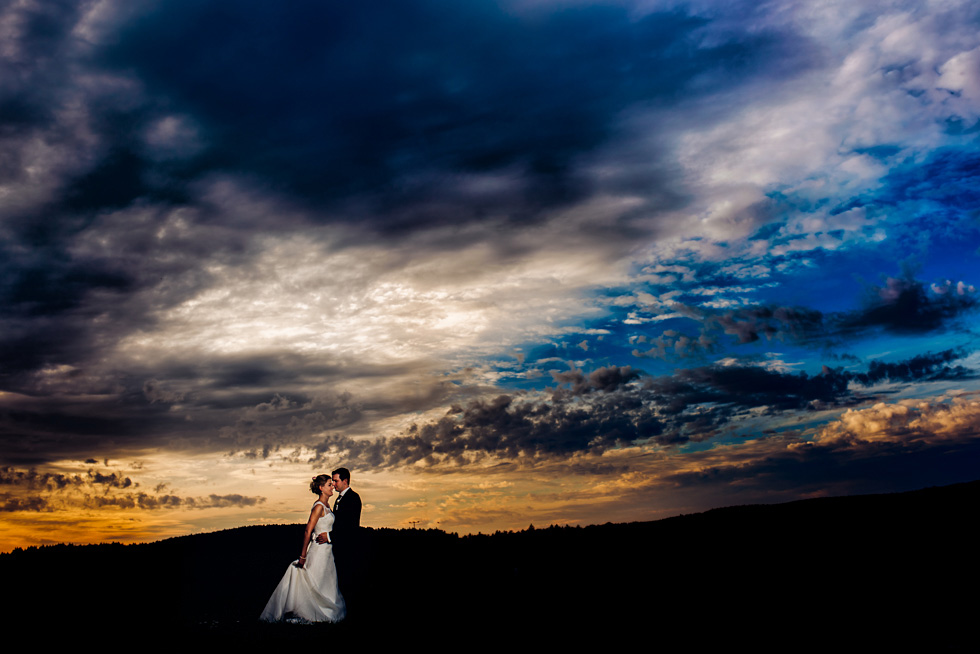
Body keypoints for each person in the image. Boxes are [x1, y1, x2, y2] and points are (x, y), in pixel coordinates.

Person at [259, 475, 346, 623]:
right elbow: (308, 530)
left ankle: (325, 612)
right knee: (314, 581)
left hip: (328, 552)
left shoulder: (327, 506)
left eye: (332, 484)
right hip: (318, 550)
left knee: (325, 582)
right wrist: (303, 555)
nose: (332, 487)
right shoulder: (318, 506)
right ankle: (311, 612)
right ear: (321, 488)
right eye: (329, 485)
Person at [315, 467, 361, 600]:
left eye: (336, 481)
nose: (333, 484)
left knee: (347, 582)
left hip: (348, 548)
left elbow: (349, 527)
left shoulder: (353, 498)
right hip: (338, 547)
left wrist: (329, 536)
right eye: (332, 482)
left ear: (345, 481)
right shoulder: (339, 499)